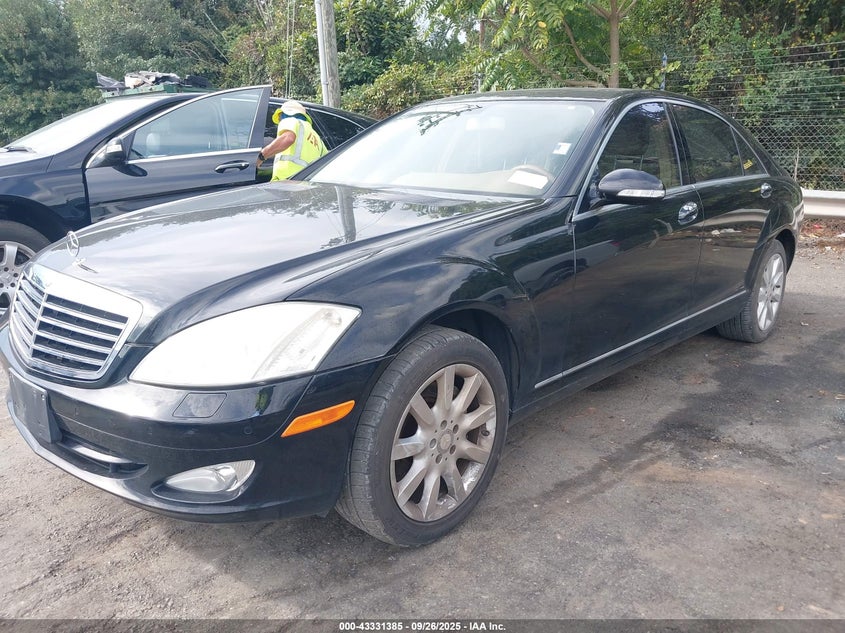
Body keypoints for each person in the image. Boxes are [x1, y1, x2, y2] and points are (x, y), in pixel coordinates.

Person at [256, 100, 327, 181]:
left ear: (283, 114)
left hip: (288, 181)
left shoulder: (290, 120)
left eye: (280, 116)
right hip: (307, 183)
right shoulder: (317, 138)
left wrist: (262, 156)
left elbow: (288, 138)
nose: (279, 119)